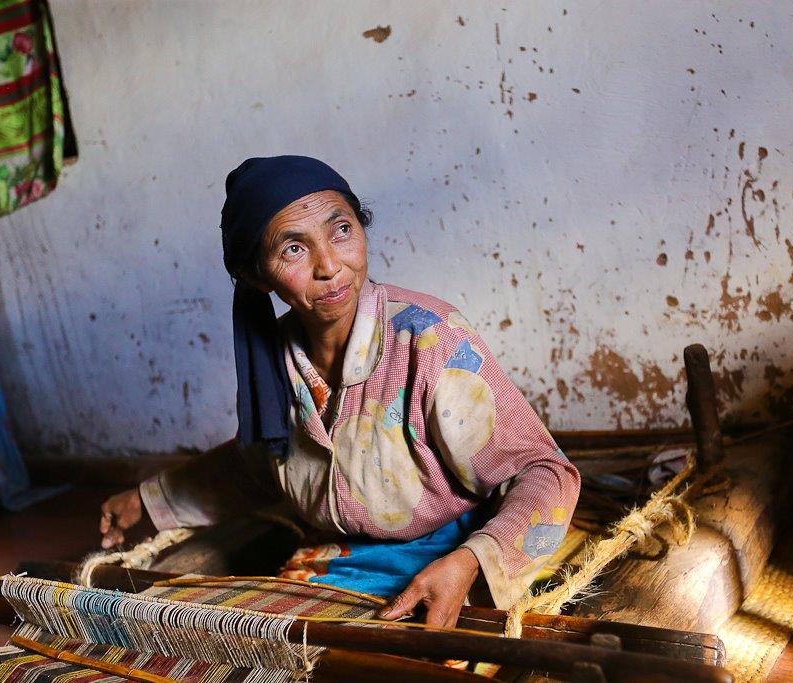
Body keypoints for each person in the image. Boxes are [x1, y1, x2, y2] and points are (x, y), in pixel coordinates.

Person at [99, 156, 580, 627]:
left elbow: (543, 471)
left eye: (342, 230)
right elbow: (261, 465)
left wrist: (471, 561)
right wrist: (149, 499)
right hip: (345, 557)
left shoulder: (431, 340)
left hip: (453, 547)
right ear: (254, 275)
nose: (329, 265)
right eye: (293, 248)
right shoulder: (276, 363)